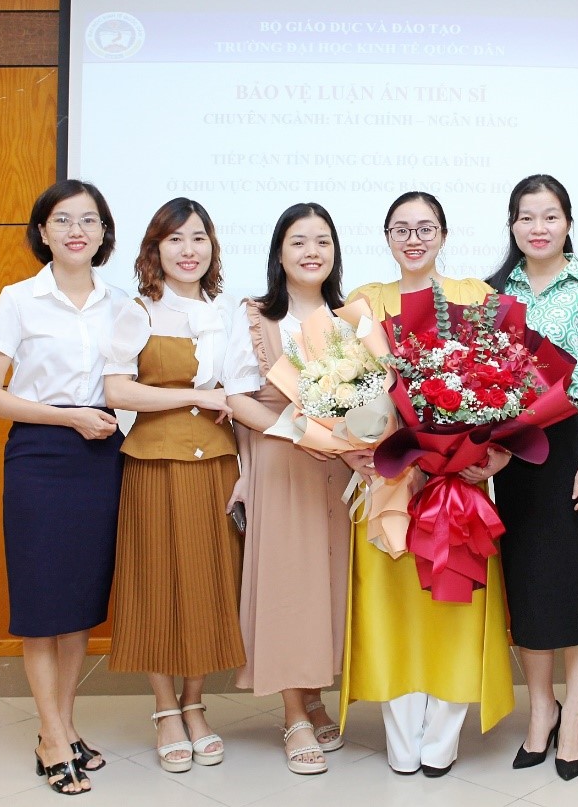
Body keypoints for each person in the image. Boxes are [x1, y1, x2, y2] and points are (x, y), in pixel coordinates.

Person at [340, 191, 514, 777]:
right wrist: (352, 450)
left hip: (456, 485)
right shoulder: (363, 302)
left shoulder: (476, 297)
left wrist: (495, 455)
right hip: (388, 486)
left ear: (443, 234)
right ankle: (401, 737)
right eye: (401, 229)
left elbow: (508, 388)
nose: (413, 239)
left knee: (453, 608)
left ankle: (442, 738)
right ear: (387, 237)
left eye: (425, 228)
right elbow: (340, 391)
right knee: (392, 610)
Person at [0, 180, 129, 796]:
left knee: (79, 604)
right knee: (42, 605)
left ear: (104, 232)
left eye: (89, 220)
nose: (76, 231)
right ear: (43, 231)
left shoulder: (121, 304)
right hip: (40, 455)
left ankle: (61, 726)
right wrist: (68, 418)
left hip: (102, 455)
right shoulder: (19, 299)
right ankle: (52, 738)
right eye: (62, 220)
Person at [101, 198, 247, 773]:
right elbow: (117, 391)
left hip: (217, 465)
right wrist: (194, 395)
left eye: (199, 238)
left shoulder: (226, 312)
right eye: (176, 239)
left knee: (210, 582)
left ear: (212, 247)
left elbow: (240, 392)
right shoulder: (138, 311)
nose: (189, 250)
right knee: (156, 583)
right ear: (155, 249)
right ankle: (165, 709)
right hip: (154, 464)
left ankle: (195, 704)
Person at [484, 174, 578, 781]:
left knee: (576, 581)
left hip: (572, 448)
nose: (537, 228)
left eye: (549, 216)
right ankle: (541, 709)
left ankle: (576, 716)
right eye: (526, 217)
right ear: (512, 225)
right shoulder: (493, 293)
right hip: (513, 453)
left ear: (568, 222)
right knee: (529, 584)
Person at [225, 202, 353, 775]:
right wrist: (297, 430)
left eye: (322, 241)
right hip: (281, 457)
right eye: (299, 241)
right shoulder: (256, 317)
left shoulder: (348, 320)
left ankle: (316, 694)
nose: (311, 251)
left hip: (338, 466)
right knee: (287, 585)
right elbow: (235, 397)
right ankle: (294, 714)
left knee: (328, 584)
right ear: (279, 252)